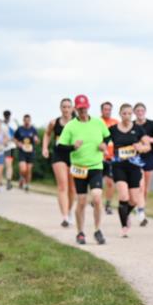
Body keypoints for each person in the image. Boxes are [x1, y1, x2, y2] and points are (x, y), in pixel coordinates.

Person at [58, 94, 110, 245]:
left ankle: (98, 230)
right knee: (81, 201)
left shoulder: (98, 122)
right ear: (76, 108)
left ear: (88, 107)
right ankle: (80, 233)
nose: (82, 111)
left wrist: (104, 145)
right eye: (80, 108)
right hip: (79, 168)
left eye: (84, 108)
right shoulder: (70, 126)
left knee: (97, 197)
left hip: (95, 166)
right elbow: (60, 147)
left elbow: (107, 136)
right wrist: (72, 146)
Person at [108, 103, 151, 238]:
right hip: (118, 165)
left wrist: (140, 147)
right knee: (123, 196)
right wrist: (103, 148)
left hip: (134, 166)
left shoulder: (138, 129)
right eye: (124, 113)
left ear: (132, 114)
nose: (127, 116)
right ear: (120, 114)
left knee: (134, 200)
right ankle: (124, 227)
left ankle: (125, 213)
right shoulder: (113, 129)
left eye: (129, 113)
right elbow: (103, 141)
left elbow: (147, 146)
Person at [43, 98, 77, 227]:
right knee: (63, 186)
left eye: (69, 107)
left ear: (72, 108)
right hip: (59, 156)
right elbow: (47, 134)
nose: (66, 109)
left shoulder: (77, 123)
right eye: (64, 107)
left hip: (74, 156)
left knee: (72, 188)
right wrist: (45, 148)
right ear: (60, 108)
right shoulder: (54, 122)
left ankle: (69, 211)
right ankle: (64, 217)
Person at [133, 102, 153, 226]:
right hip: (136, 159)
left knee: (145, 188)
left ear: (145, 112)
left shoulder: (152, 124)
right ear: (135, 112)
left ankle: (141, 208)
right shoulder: (132, 125)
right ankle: (141, 212)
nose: (140, 113)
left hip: (149, 158)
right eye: (138, 111)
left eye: (142, 110)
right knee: (140, 186)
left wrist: (148, 139)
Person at [99, 101, 118, 216]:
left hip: (111, 157)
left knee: (110, 183)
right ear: (101, 110)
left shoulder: (115, 123)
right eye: (105, 109)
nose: (107, 111)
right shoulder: (96, 122)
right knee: (97, 183)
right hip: (98, 157)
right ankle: (96, 201)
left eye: (109, 109)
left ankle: (108, 204)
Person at [13, 114, 39, 191]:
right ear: (23, 120)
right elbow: (14, 138)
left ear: (30, 121)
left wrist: (36, 140)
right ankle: (21, 177)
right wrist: (18, 143)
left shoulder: (33, 129)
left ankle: (27, 185)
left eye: (28, 120)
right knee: (23, 169)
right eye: (25, 120)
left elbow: (37, 140)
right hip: (22, 152)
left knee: (29, 170)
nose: (27, 122)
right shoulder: (20, 129)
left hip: (31, 152)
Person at [2, 110, 18, 190]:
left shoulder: (13, 124)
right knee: (2, 164)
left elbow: (16, 135)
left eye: (8, 115)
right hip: (1, 147)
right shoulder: (1, 124)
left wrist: (9, 139)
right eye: (5, 115)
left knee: (9, 164)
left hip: (10, 147)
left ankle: (8, 182)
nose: (7, 117)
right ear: (3, 116)